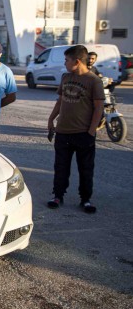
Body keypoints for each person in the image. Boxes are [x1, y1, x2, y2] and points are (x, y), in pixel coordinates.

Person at [47, 45, 104, 214]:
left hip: (83, 134)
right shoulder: (66, 77)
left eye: (67, 60)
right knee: (60, 167)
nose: (64, 63)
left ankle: (85, 199)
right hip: (63, 132)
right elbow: (60, 101)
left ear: (77, 61)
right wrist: (51, 119)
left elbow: (99, 107)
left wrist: (91, 131)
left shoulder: (94, 81)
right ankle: (57, 196)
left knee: (85, 169)